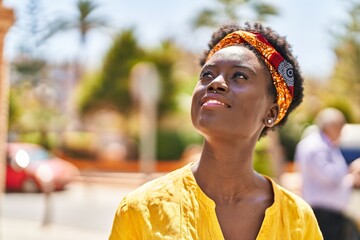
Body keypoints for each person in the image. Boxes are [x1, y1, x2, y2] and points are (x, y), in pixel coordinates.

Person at [109, 22, 323, 240]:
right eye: (207, 75)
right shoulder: (141, 209)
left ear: (271, 112)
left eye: (239, 75)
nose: (216, 83)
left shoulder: (298, 219)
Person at [295, 108, 359, 240]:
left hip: (329, 212)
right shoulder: (315, 145)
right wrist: (351, 173)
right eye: (340, 127)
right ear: (331, 126)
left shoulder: (325, 145)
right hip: (323, 212)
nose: (341, 132)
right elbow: (329, 176)